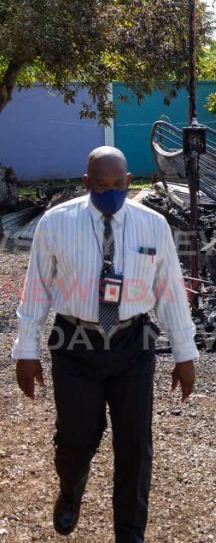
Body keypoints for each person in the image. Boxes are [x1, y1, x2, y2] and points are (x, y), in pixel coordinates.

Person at [12, 146, 198, 543]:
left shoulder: (153, 226)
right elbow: (36, 289)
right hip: (74, 342)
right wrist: (26, 351)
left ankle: (129, 532)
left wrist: (185, 354)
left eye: (118, 184)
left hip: (133, 341)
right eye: (101, 185)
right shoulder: (56, 223)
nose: (110, 192)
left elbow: (169, 291)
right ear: (86, 183)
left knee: (135, 444)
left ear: (130, 182)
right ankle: (70, 489)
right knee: (76, 439)